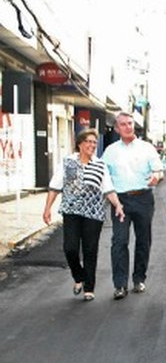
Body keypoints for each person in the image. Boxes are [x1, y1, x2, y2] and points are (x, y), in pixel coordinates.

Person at [42, 128, 125, 302]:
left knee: (90, 250)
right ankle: (79, 276)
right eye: (88, 141)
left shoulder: (99, 165)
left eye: (94, 142)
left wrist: (117, 205)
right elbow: (55, 186)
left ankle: (89, 288)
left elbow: (108, 189)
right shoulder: (67, 162)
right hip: (71, 211)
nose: (92, 145)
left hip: (93, 213)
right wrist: (47, 208)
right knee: (70, 248)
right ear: (80, 144)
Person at [102, 111, 164, 300]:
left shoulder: (147, 148)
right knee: (119, 241)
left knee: (143, 240)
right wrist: (111, 198)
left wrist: (156, 177)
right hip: (120, 201)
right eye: (123, 124)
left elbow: (159, 170)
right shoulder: (110, 151)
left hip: (143, 198)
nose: (128, 127)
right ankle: (120, 284)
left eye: (130, 123)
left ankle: (139, 278)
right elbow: (103, 176)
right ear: (117, 128)